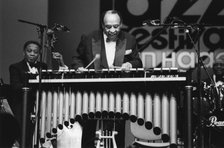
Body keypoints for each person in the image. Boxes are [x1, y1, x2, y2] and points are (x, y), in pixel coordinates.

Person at [71, 10, 142, 148]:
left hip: (118, 89)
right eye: (108, 26)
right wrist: (78, 67)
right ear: (102, 25)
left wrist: (130, 64)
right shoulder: (88, 37)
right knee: (89, 126)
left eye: (116, 26)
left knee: (118, 128)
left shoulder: (130, 39)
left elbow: (137, 62)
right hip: (93, 88)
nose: (112, 30)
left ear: (121, 24)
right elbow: (77, 58)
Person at [9, 40, 66, 147]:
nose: (32, 54)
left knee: (40, 136)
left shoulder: (43, 66)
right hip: (23, 107)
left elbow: (54, 81)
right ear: (24, 52)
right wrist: (33, 81)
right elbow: (15, 87)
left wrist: (61, 63)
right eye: (29, 51)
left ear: (39, 54)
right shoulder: (15, 67)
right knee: (24, 138)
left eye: (35, 52)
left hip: (41, 107)